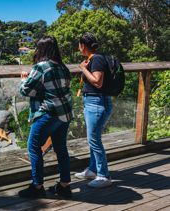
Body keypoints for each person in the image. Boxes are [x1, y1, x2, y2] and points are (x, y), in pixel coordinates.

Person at [18, 36, 73, 198]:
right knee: (60, 148)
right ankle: (64, 186)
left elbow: (26, 91)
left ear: (41, 50)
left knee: (33, 146)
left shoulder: (41, 67)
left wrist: (23, 80)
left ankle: (37, 187)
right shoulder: (63, 68)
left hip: (49, 113)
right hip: (65, 113)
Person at [74, 32, 113, 188]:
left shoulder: (96, 59)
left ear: (83, 46)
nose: (78, 47)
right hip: (94, 102)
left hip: (96, 103)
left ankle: (104, 176)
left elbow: (97, 82)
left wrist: (83, 68)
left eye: (79, 45)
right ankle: (92, 170)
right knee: (93, 138)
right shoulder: (95, 58)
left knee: (94, 140)